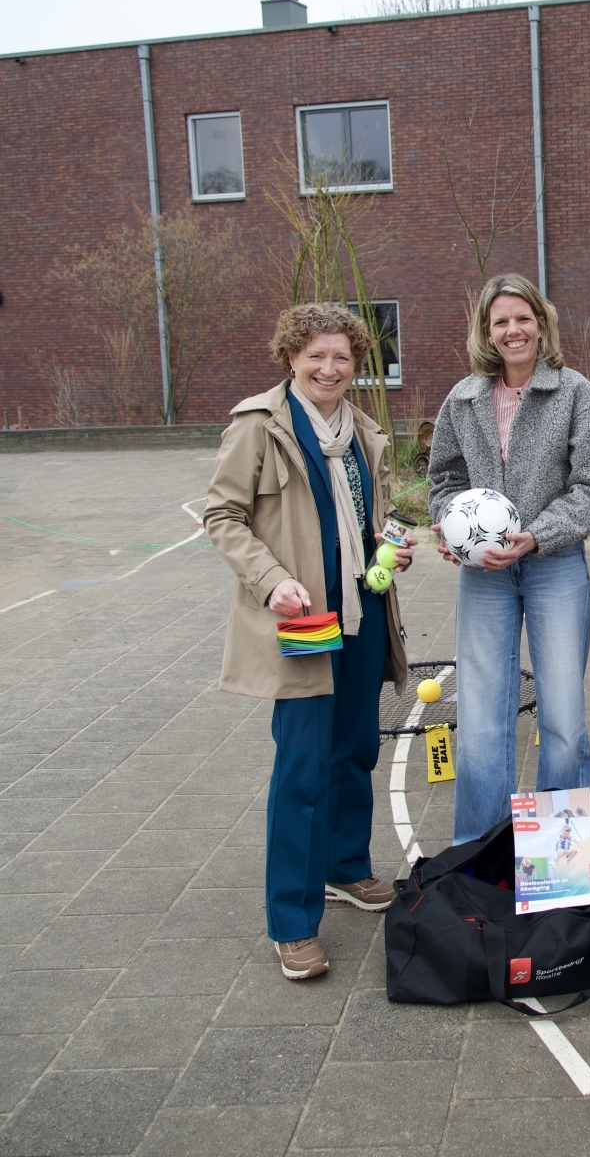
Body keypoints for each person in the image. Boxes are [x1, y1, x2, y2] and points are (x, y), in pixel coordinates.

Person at [205, 303, 415, 981]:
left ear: (357, 365)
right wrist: (270, 583)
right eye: (316, 355)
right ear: (291, 357)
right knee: (302, 765)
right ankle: (292, 922)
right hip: (302, 619)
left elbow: (370, 516)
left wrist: (390, 545)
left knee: (355, 749)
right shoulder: (258, 426)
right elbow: (222, 515)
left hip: (362, 614)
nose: (329, 368)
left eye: (342, 357)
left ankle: (345, 868)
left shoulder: (362, 430)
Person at [428, 273, 590, 844]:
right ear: (486, 331)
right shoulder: (462, 399)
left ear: (541, 323)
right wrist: (452, 528)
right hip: (484, 577)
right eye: (500, 321)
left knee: (562, 719)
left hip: (555, 565)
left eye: (523, 318)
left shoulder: (574, 392)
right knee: (481, 718)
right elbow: (444, 480)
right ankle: (477, 852)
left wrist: (536, 535)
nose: (513, 330)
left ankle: (557, 857)